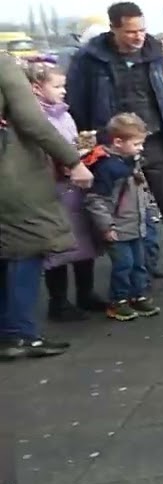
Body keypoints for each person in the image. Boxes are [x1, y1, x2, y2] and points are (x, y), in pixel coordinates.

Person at [65, 2, 163, 294]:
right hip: (114, 148)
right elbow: (77, 101)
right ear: (114, 28)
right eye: (130, 31)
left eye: (142, 29)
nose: (138, 36)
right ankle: (128, 281)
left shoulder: (155, 53)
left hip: (156, 143)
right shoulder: (89, 59)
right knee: (118, 215)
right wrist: (85, 141)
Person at [0, 57, 92, 358]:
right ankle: (20, 334)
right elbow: (31, 120)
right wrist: (73, 160)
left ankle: (8, 331)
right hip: (12, 174)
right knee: (26, 247)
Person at [27, 62, 106, 321]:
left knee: (85, 242)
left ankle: (86, 293)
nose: (63, 91)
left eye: (64, 86)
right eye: (57, 86)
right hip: (53, 188)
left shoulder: (65, 114)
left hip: (76, 187)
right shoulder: (34, 119)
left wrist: (84, 148)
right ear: (37, 88)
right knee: (58, 247)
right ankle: (58, 302)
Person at [82, 113, 161, 322]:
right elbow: (96, 199)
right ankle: (118, 301)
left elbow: (141, 190)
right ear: (118, 142)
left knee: (138, 262)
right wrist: (107, 226)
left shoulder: (129, 162)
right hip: (117, 226)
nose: (141, 148)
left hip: (135, 223)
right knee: (123, 264)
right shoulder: (108, 167)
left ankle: (137, 294)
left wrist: (149, 211)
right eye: (136, 144)